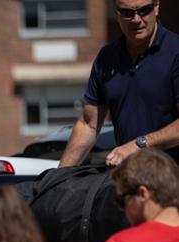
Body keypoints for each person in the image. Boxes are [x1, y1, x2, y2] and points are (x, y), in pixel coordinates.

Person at [59, 0, 179, 168]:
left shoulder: (175, 51)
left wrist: (140, 144)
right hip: (128, 178)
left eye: (144, 10)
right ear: (116, 13)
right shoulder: (106, 58)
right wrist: (59, 176)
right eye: (127, 13)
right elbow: (89, 124)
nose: (136, 19)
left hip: (172, 180)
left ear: (157, 7)